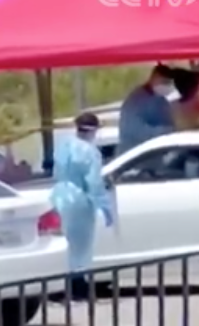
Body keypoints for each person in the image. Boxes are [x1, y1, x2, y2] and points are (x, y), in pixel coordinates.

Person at [50, 112, 114, 300]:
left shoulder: (63, 146)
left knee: (65, 242)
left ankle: (62, 285)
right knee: (81, 245)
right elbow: (94, 182)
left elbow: (56, 171)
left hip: (59, 195)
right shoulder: (90, 152)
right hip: (79, 199)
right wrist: (105, 206)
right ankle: (78, 286)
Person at [117, 64, 176, 156]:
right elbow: (136, 131)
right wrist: (169, 131)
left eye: (168, 83)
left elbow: (169, 119)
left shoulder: (161, 100)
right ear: (154, 79)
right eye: (164, 82)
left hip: (154, 156)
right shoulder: (135, 101)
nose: (167, 86)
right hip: (133, 156)